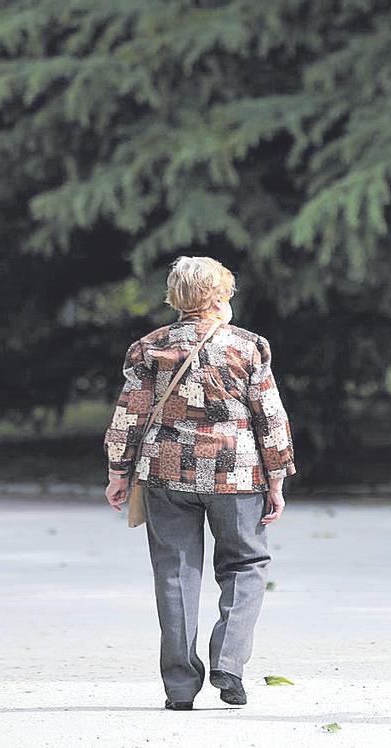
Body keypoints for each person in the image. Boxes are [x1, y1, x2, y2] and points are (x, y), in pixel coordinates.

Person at [103, 256, 296, 711]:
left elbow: (129, 412)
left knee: (174, 572)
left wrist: (118, 470)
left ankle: (180, 688)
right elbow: (270, 416)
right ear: (218, 296)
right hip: (237, 472)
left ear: (176, 298)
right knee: (247, 564)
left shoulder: (149, 347)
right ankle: (228, 662)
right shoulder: (249, 347)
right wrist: (277, 477)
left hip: (165, 473)